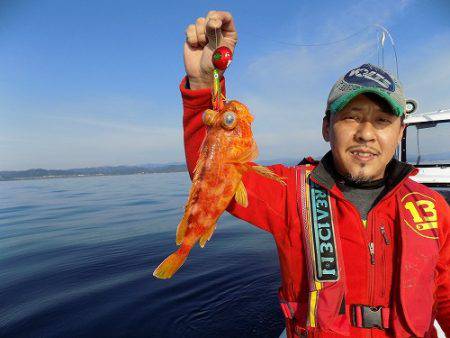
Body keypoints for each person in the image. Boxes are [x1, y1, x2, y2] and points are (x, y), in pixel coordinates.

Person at [180, 10, 450, 338]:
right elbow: (213, 172)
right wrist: (204, 86)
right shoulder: (290, 192)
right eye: (351, 117)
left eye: (382, 121)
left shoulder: (433, 208)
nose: (366, 133)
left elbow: (445, 295)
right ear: (327, 127)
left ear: (400, 133)